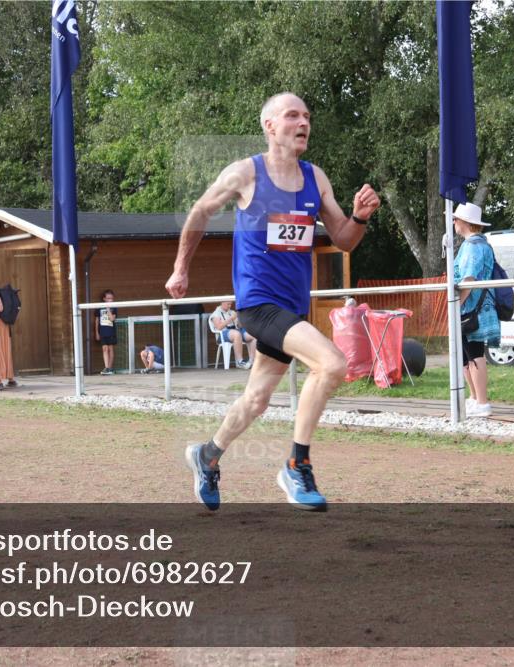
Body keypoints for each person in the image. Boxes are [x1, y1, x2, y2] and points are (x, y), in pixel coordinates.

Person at [165, 92, 380, 511]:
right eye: (293, 115)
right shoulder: (246, 173)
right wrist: (180, 269)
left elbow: (343, 239)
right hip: (258, 304)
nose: (304, 123)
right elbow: (200, 211)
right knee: (332, 364)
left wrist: (359, 217)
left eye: (307, 116)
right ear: (270, 126)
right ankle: (297, 465)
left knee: (256, 399)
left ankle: (207, 455)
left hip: (292, 306)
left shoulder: (315, 178)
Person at [452, 202, 499, 418]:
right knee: (467, 355)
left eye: (456, 219)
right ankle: (474, 398)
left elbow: (468, 279)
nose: (453, 222)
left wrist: (456, 304)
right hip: (475, 307)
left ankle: (482, 402)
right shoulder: (479, 244)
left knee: (474, 354)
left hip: (472, 308)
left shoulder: (472, 246)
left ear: (465, 222)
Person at [209, 300, 257, 369]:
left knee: (252, 335)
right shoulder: (216, 313)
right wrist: (231, 318)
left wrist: (240, 318)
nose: (230, 306)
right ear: (222, 303)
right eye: (228, 304)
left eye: (230, 304)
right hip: (222, 334)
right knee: (236, 334)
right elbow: (219, 327)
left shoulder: (232, 312)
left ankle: (252, 361)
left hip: (236, 331)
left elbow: (239, 326)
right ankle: (239, 361)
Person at [95, 289, 118, 375]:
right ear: (104, 299)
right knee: (105, 349)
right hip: (102, 331)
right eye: (108, 298)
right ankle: (106, 367)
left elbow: (112, 319)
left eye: (111, 298)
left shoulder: (114, 307)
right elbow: (97, 320)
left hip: (111, 331)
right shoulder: (99, 307)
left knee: (110, 349)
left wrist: (108, 308)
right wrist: (97, 332)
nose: (110, 300)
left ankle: (110, 368)